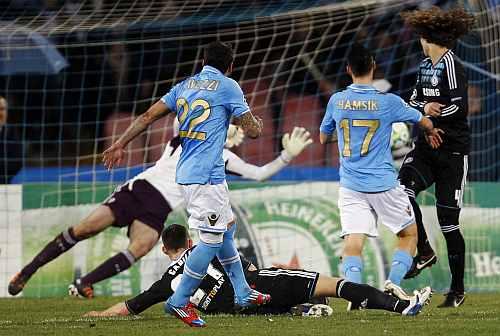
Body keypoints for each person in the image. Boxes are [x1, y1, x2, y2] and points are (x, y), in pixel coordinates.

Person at [8, 122, 312, 298]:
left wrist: (286, 156)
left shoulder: (223, 157)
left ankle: (85, 282)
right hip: (138, 189)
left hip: (160, 207)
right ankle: (28, 271)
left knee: (140, 247)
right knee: (85, 228)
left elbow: (258, 174)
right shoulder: (185, 138)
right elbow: (181, 121)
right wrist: (227, 126)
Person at [102, 41, 272, 328]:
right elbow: (253, 131)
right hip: (204, 177)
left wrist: (120, 143)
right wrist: (256, 123)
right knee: (211, 240)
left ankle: (243, 291)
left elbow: (146, 116)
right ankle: (179, 301)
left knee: (227, 228)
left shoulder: (184, 86)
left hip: (200, 173)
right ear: (230, 66)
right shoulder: (229, 85)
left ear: (202, 60)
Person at [319, 43, 442, 309]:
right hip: (384, 184)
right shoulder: (389, 103)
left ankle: (355, 295)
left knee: (353, 241)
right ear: (373, 67)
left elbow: (322, 136)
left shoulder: (337, 100)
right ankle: (393, 282)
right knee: (409, 235)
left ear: (348, 69)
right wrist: (429, 127)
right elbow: (424, 121)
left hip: (350, 185)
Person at [84, 224, 431, 318]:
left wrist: (99, 312)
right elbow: (245, 268)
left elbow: (127, 308)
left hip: (240, 310)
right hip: (257, 288)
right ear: (191, 240)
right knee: (335, 284)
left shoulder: (166, 285)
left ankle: (302, 311)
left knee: (273, 302)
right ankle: (402, 307)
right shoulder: (209, 249)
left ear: (164, 250)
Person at [399, 7, 475, 308]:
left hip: (452, 152)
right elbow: (412, 100)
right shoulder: (423, 66)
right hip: (426, 147)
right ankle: (425, 251)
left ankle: (457, 289)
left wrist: (434, 120)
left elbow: (460, 107)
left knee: (448, 223)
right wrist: (424, 117)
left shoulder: (452, 65)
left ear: (426, 38)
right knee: (400, 192)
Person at [0, 96, 23, 184]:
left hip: (4, 184)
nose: (0, 113)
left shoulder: (12, 132)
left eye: (2, 109)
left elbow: (18, 162)